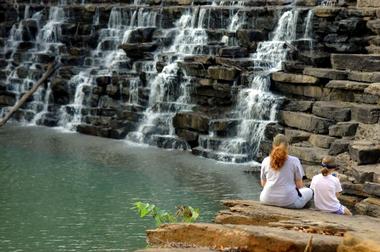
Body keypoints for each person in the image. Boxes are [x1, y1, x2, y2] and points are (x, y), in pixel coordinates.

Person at [260, 134, 313, 208]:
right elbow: (299, 185)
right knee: (310, 191)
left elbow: (263, 184)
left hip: (266, 199)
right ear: (287, 146)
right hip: (288, 202)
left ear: (273, 145)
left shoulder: (265, 160)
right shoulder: (294, 160)